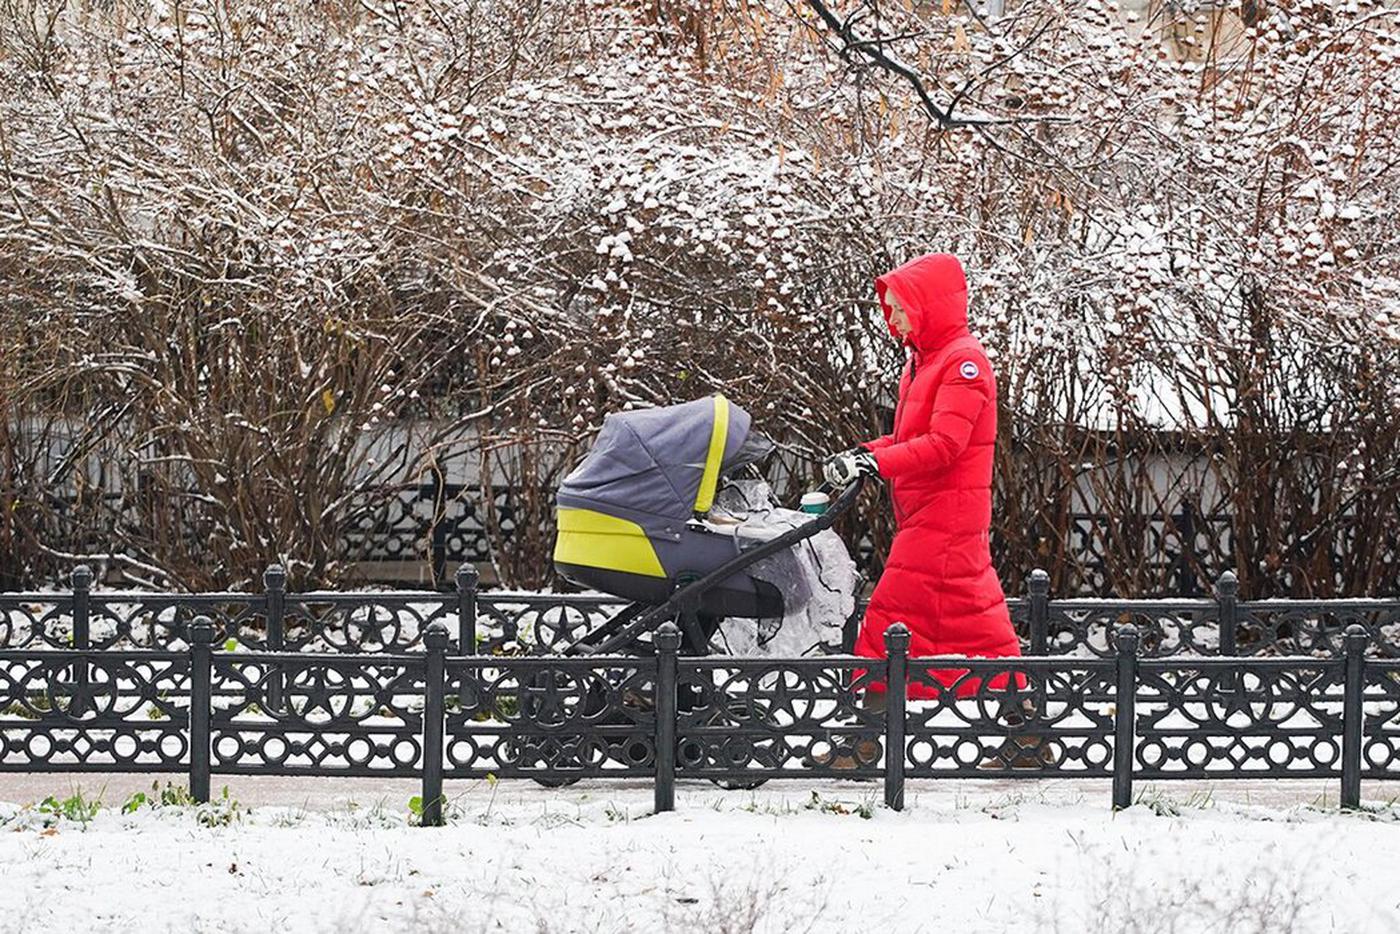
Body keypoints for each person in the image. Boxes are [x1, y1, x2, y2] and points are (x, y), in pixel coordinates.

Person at [822, 252, 1050, 770]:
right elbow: (910, 439)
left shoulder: (963, 364)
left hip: (944, 520)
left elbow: (945, 444)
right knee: (982, 629)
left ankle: (864, 743)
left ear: (929, 307)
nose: (893, 320)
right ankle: (1029, 738)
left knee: (888, 620)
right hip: (932, 516)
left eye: (901, 309)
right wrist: (866, 454)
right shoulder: (925, 361)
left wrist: (877, 465)